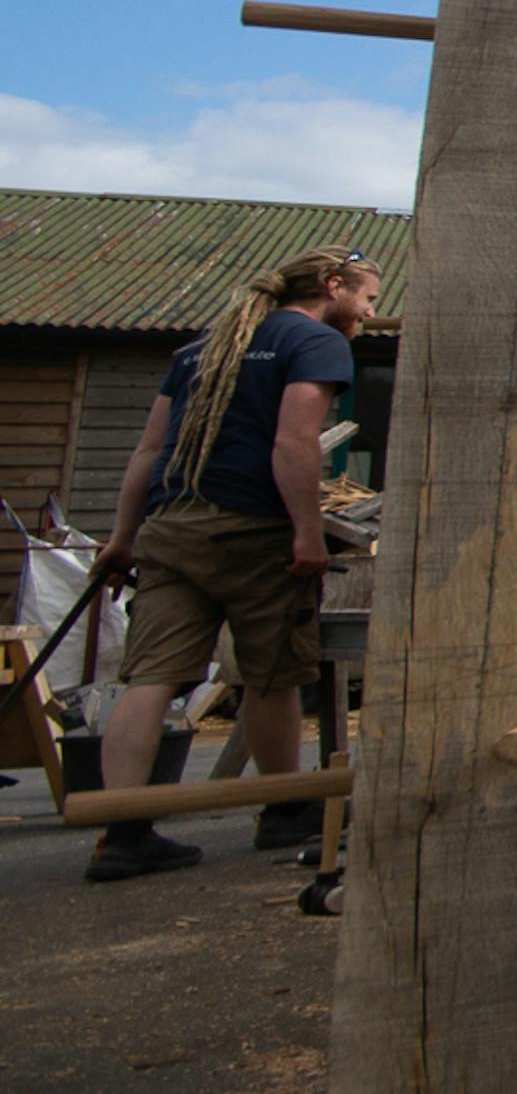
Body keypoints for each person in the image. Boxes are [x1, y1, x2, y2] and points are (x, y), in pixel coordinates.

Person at [82, 247, 382, 882]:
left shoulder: (204, 348)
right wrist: (308, 533)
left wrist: (122, 538)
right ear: (334, 287)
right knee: (269, 672)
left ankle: (124, 833)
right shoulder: (316, 343)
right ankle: (283, 810)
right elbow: (294, 442)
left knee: (151, 680)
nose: (370, 313)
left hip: (170, 526)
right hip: (253, 529)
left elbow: (149, 449)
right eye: (368, 300)